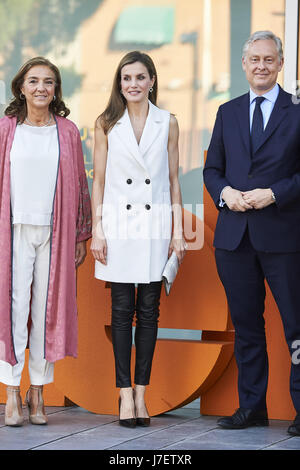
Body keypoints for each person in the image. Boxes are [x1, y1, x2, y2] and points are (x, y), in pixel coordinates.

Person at [204, 30, 300, 436]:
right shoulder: (227, 111)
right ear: (244, 65)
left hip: (284, 238)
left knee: (296, 327)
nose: (261, 66)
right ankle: (252, 407)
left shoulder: (297, 111)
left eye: (268, 59)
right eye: (254, 59)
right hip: (234, 239)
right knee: (246, 326)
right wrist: (225, 193)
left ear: (280, 65)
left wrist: (274, 193)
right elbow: (213, 170)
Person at [91, 51, 185, 428]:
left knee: (149, 312)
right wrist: (98, 229)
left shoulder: (169, 122)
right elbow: (97, 180)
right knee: (119, 312)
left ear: (151, 81)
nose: (133, 84)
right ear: (119, 83)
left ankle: (142, 394)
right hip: (117, 226)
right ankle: (124, 392)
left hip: (154, 225)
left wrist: (178, 231)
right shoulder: (105, 123)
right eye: (126, 77)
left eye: (140, 77)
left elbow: (174, 180)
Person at [0, 57, 92, 426]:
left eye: (49, 82)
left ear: (56, 90)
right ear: (21, 87)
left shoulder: (67, 131)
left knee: (46, 312)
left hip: (56, 234)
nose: (41, 88)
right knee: (13, 310)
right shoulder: (6, 129)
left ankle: (38, 391)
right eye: (34, 81)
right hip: (13, 232)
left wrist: (81, 234)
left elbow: (80, 187)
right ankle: (11, 391)